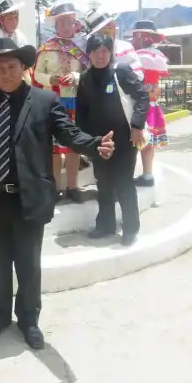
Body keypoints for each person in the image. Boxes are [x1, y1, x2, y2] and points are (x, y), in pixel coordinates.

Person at [0, 38, 115, 349]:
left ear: (24, 69)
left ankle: (28, 319)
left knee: (28, 263)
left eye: (12, 67)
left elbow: (69, 133)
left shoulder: (44, 101)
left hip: (29, 197)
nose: (5, 73)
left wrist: (95, 143)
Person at [76, 32, 150, 246]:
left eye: (105, 51)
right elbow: (82, 112)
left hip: (125, 139)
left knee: (124, 183)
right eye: (96, 51)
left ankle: (130, 228)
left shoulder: (121, 72)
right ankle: (105, 225)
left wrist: (137, 126)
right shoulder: (85, 79)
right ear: (89, 54)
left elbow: (142, 96)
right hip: (99, 143)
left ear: (111, 53)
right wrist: (84, 141)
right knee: (104, 184)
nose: (101, 56)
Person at [33, 2, 89, 203]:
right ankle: (56, 188)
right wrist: (52, 80)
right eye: (62, 22)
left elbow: (88, 74)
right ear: (55, 25)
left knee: (74, 145)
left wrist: (75, 76)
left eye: (70, 22)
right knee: (55, 148)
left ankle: (73, 186)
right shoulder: (47, 48)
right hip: (54, 102)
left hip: (75, 101)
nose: (66, 26)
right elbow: (37, 74)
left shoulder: (82, 48)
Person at [131, 20, 171, 185]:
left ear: (141, 36)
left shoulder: (139, 57)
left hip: (140, 106)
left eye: (134, 36)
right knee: (149, 143)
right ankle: (147, 174)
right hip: (152, 105)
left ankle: (132, 174)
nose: (132, 40)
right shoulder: (157, 57)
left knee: (137, 141)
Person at [79, 9, 143, 72]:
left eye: (111, 26)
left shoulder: (126, 47)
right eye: (104, 30)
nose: (111, 29)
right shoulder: (86, 49)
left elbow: (139, 72)